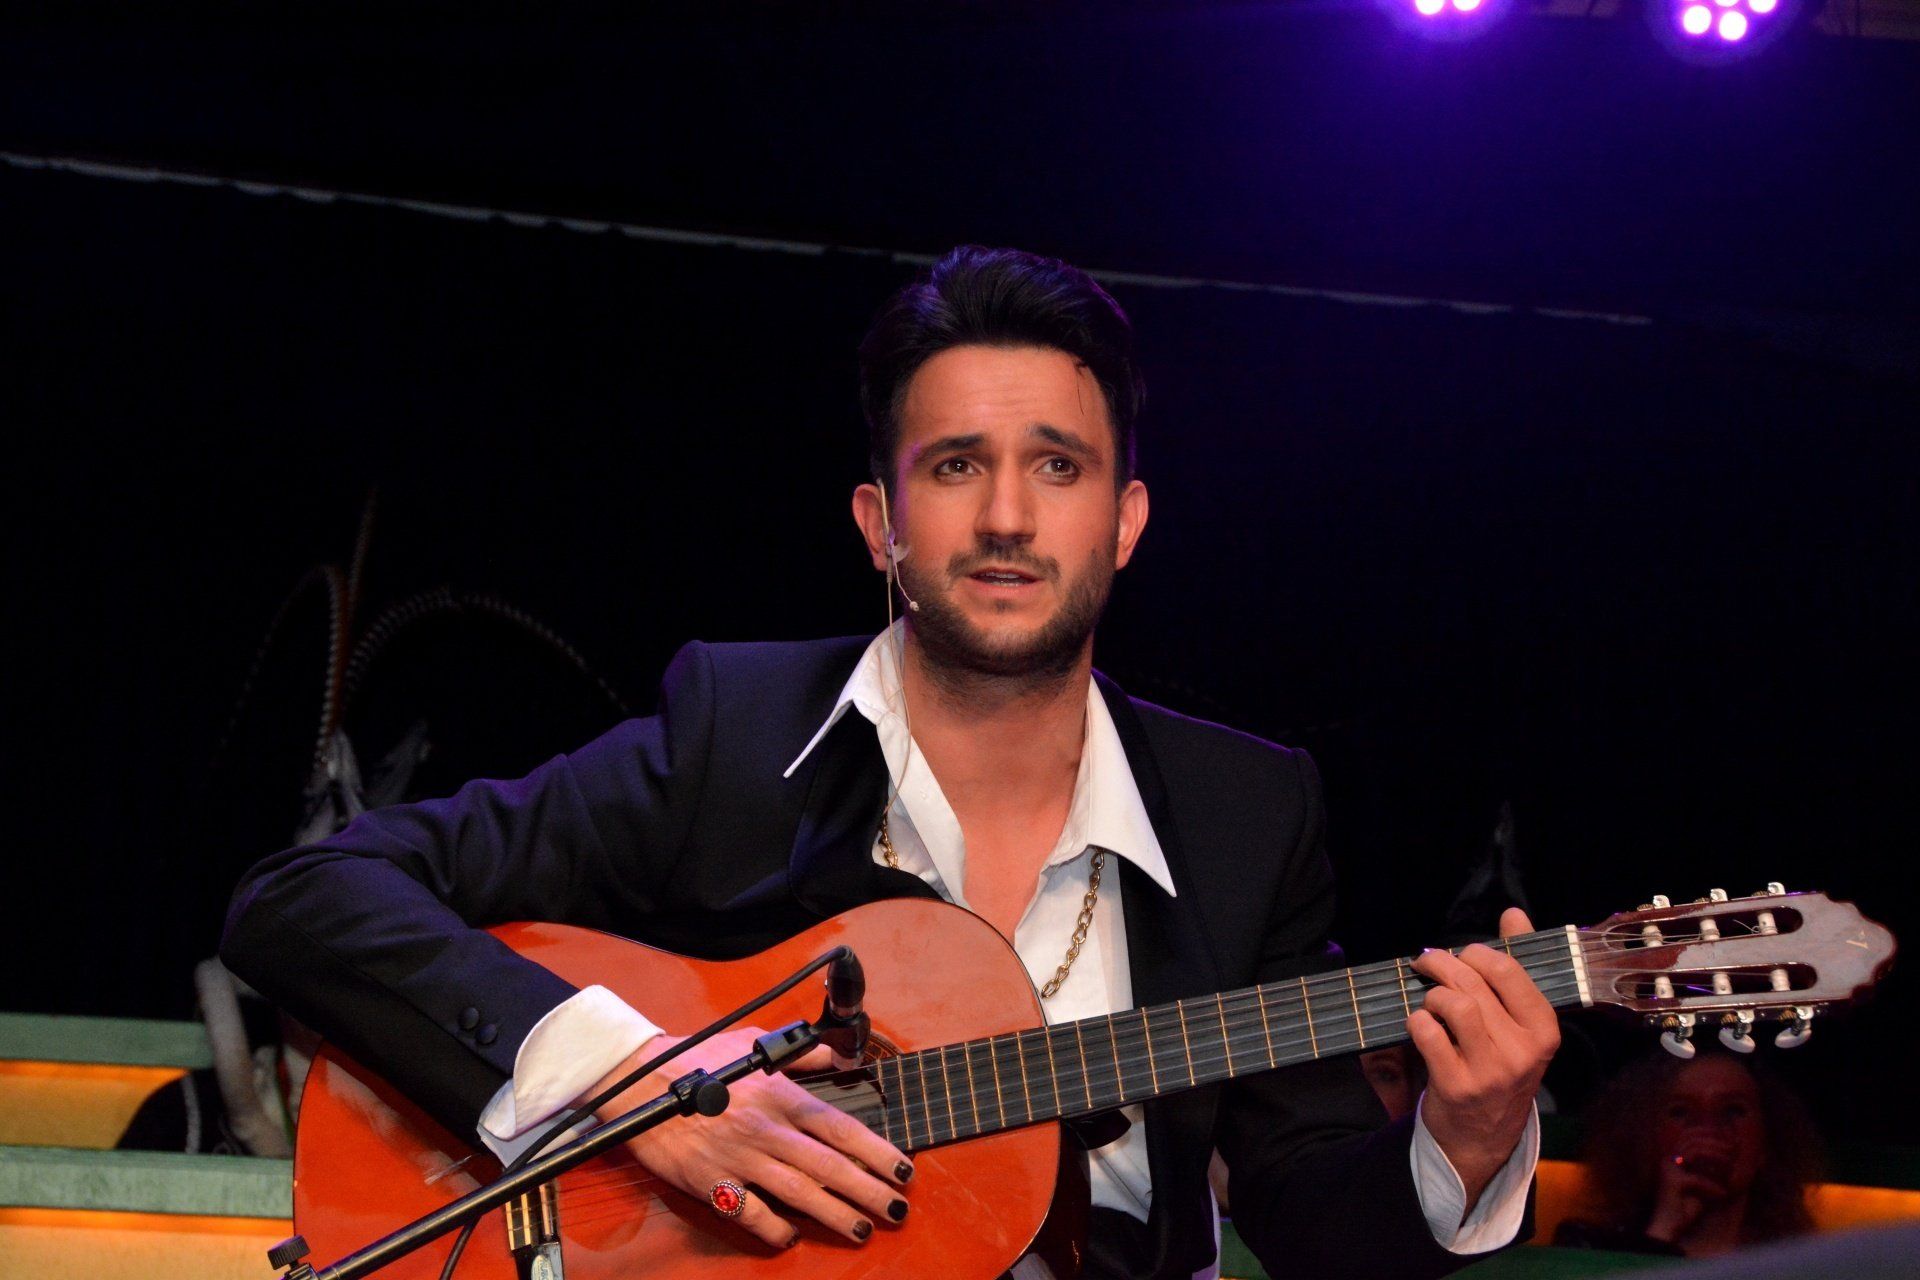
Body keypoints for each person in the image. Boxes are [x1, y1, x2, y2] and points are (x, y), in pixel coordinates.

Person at [221, 246, 1559, 1279]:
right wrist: (638, 1095)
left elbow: (1317, 1224)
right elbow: (304, 899)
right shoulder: (738, 737)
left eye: (1059, 466)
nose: (1008, 516)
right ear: (880, 522)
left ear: (1125, 520)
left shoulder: (1245, 815)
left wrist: (1463, 1141)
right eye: (957, 464)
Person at [1556, 1047, 1820, 1258]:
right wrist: (1662, 1231)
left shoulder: (1800, 1265)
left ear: (1767, 1141)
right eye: (1681, 1112)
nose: (1708, 1128)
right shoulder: (1588, 1248)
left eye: (1733, 1110)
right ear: (1645, 1137)